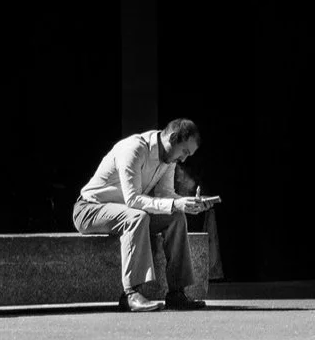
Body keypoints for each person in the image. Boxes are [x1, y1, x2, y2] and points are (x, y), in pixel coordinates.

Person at [74, 119, 220, 312]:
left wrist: (187, 204)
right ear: (172, 138)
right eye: (184, 151)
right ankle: (131, 294)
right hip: (90, 209)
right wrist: (175, 203)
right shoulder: (134, 149)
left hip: (124, 212)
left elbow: (165, 195)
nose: (183, 159)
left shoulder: (169, 158)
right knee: (137, 217)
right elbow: (132, 200)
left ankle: (176, 293)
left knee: (176, 218)